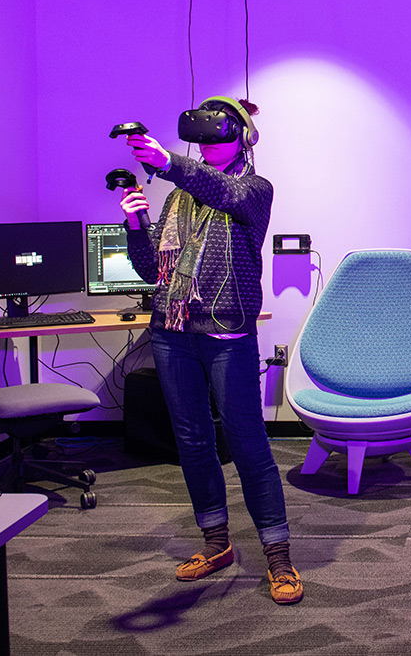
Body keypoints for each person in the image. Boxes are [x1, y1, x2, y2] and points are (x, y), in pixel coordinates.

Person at [117, 96, 302, 606]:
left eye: (218, 135)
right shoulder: (177, 199)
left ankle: (278, 555)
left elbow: (221, 191)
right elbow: (149, 269)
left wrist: (168, 164)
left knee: (247, 444)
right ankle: (216, 544)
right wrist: (135, 223)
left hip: (226, 334)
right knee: (193, 441)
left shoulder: (252, 190)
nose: (207, 146)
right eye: (200, 139)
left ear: (242, 138)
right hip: (173, 330)